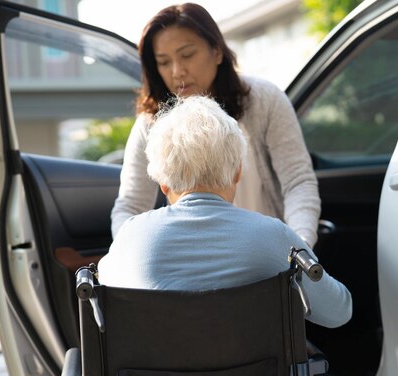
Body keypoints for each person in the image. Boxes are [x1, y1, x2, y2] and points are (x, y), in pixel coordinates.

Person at [98, 96, 351, 329]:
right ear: (238, 171)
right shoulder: (274, 238)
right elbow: (339, 311)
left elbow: (107, 302)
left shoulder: (131, 238)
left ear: (164, 184)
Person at [111, 2, 321, 247]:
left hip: (268, 258)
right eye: (164, 62)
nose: (177, 71)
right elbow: (130, 205)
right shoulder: (151, 122)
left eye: (187, 54)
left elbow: (298, 181)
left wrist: (300, 247)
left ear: (217, 51)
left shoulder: (265, 100)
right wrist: (131, 256)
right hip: (192, 267)